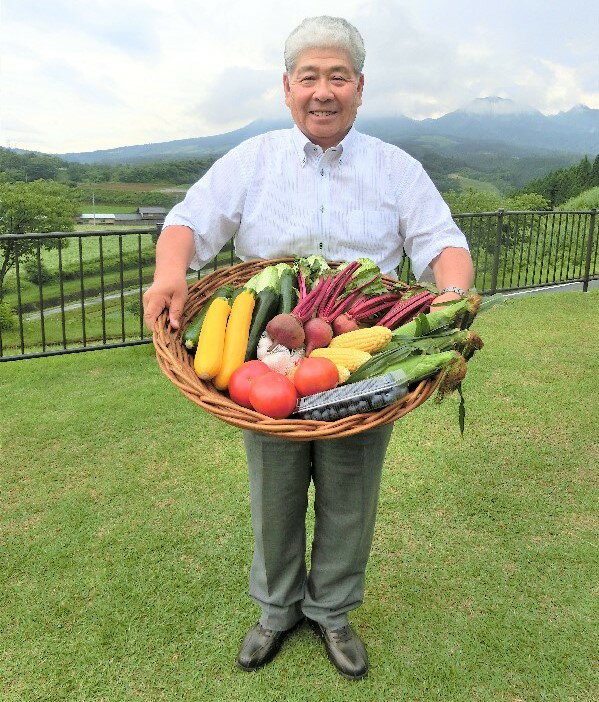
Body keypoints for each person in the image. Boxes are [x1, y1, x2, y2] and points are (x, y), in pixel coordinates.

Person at [143, 16, 474, 680]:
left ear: (360, 87)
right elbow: (188, 222)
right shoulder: (252, 161)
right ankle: (276, 610)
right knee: (274, 494)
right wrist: (169, 271)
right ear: (287, 87)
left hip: (362, 352)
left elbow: (442, 242)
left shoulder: (396, 168)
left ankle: (332, 612)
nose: (323, 91)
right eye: (309, 77)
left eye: (338, 77)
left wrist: (452, 295)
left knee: (351, 494)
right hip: (265, 361)